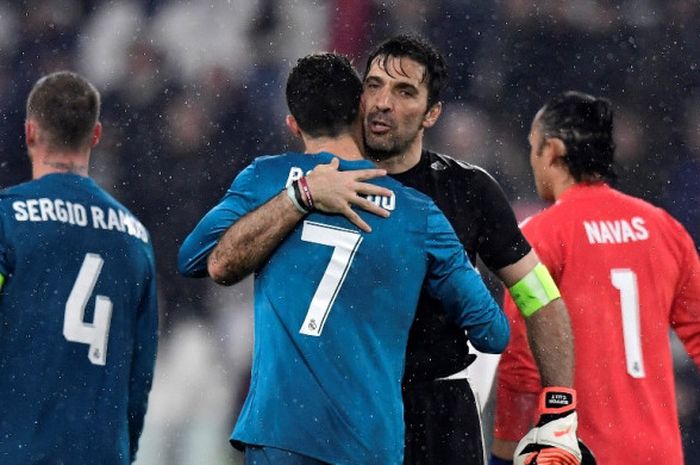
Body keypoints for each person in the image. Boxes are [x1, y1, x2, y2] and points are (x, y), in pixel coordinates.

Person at [194, 34, 581, 465]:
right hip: (342, 411)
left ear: (432, 113)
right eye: (374, 86)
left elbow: (538, 295)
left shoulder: (467, 190)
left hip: (436, 409)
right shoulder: (312, 181)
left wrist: (560, 407)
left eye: (404, 92)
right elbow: (218, 260)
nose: (382, 102)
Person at [492, 91, 700, 464]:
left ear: (552, 151)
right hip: (662, 452)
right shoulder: (663, 228)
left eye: (533, 147)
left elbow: (521, 357)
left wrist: (506, 450)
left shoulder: (540, 237)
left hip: (582, 452)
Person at [0, 71, 158, 464]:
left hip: (19, 448)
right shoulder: (135, 237)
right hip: (100, 452)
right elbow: (140, 376)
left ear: (30, 132)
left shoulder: (8, 219)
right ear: (96, 135)